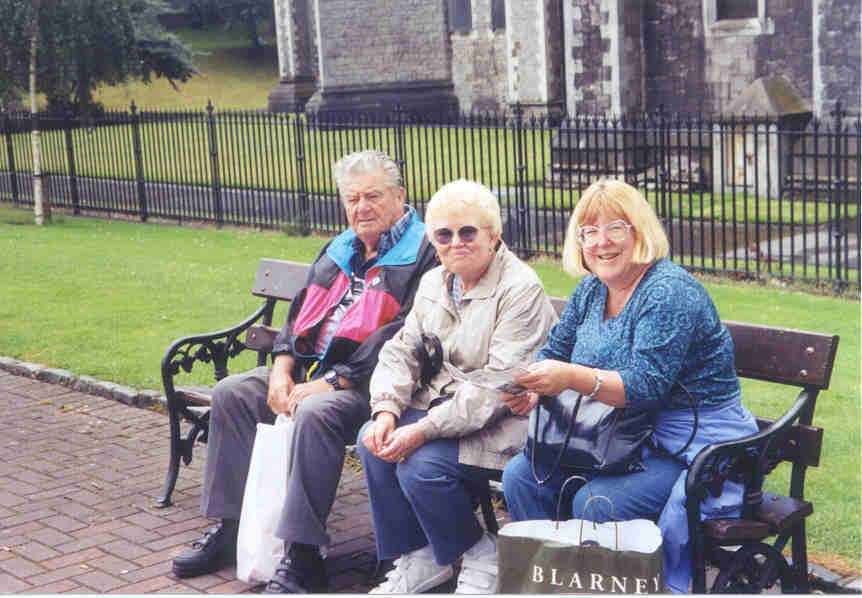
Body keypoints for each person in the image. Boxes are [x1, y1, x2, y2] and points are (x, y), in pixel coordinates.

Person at [171, 150, 439, 594]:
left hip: (378, 388)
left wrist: (330, 382)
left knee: (316, 412)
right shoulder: (341, 248)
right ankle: (233, 528)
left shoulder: (424, 252)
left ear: (400, 196)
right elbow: (298, 315)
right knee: (234, 392)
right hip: (314, 372)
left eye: (373, 196)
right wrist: (280, 369)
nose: (361, 208)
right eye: (352, 199)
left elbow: (404, 334)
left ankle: (302, 553)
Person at [501, 178, 759, 593]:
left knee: (597, 503)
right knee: (522, 477)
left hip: (688, 441)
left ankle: (612, 583)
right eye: (589, 232)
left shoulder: (668, 291)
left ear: (639, 232)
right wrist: (531, 386)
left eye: (616, 228)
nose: (602, 243)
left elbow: (647, 385)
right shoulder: (590, 290)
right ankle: (554, 583)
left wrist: (570, 378)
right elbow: (553, 350)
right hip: (619, 432)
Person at [356, 179, 558, 594]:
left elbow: (496, 388)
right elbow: (401, 351)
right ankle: (423, 555)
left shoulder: (520, 288)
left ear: (493, 234)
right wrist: (387, 411)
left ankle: (481, 554)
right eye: (444, 235)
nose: (456, 243)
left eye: (468, 232)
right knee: (372, 441)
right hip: (447, 407)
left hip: (506, 419)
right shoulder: (434, 282)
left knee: (421, 465)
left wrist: (422, 429)